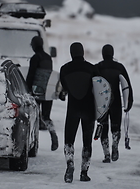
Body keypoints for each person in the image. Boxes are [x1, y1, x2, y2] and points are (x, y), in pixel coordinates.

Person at [59, 42, 97, 183]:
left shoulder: (64, 69)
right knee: (87, 143)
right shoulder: (92, 69)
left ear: (71, 53)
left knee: (69, 141)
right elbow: (99, 90)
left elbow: (64, 87)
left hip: (73, 109)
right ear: (82, 52)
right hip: (89, 110)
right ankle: (84, 173)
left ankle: (70, 166)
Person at [95, 44, 133, 163]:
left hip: (102, 103)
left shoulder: (98, 67)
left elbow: (93, 85)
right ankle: (115, 145)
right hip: (116, 101)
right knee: (115, 127)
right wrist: (129, 102)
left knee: (103, 127)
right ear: (112, 53)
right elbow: (127, 85)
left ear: (103, 53)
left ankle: (106, 155)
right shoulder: (119, 67)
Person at [26, 36, 58, 151]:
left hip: (36, 91)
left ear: (34, 45)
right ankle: (53, 133)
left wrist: (27, 88)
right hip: (48, 91)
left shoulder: (35, 58)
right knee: (46, 116)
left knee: (34, 117)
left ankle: (34, 142)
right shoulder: (48, 58)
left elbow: (31, 75)